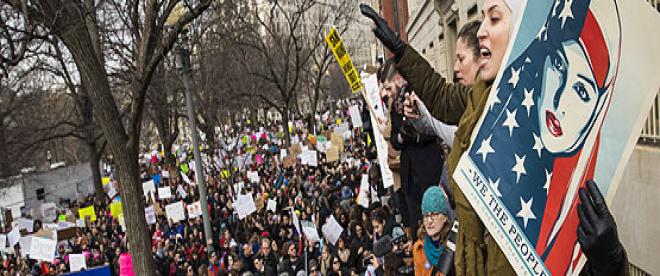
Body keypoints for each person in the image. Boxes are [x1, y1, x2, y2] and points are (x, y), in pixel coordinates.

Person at [360, 1, 628, 275]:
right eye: (483, 17)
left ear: (525, 32)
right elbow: (441, 97)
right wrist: (401, 51)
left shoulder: (566, 171)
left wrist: (611, 263)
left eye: (495, 18)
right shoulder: (483, 98)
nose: (480, 31)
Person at [413, 186, 453, 276]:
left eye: (434, 214)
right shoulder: (419, 248)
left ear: (445, 217)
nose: (429, 221)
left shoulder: (453, 246)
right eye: (426, 216)